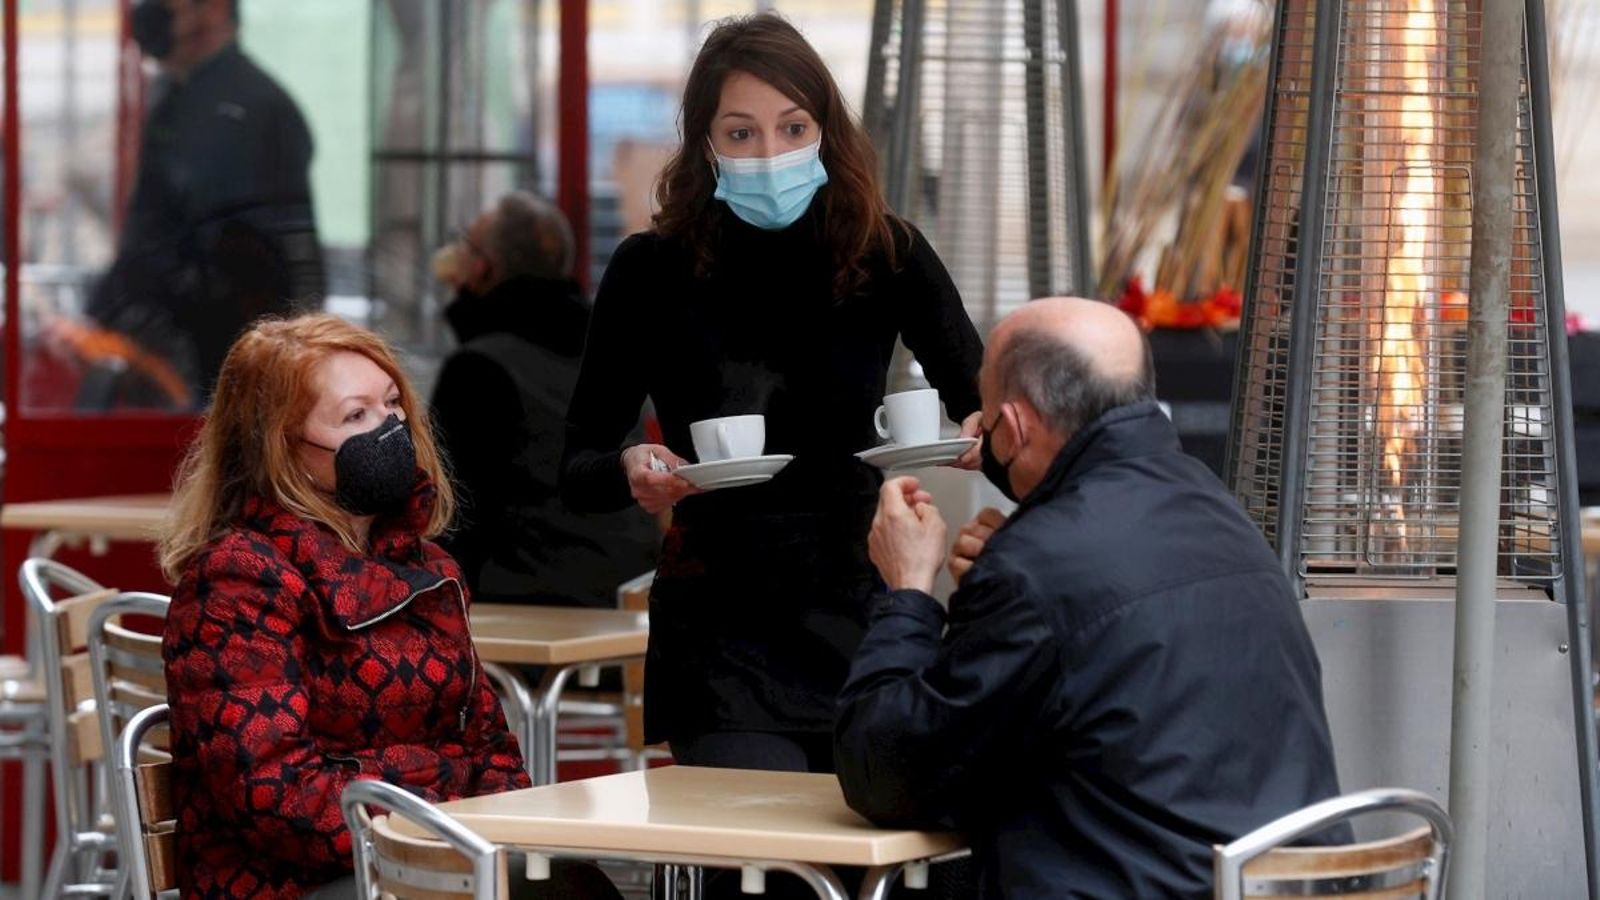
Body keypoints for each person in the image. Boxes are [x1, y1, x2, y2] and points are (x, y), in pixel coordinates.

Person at [561, 12, 984, 773]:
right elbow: (579, 466)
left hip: (860, 609)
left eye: (793, 128)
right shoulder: (649, 270)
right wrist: (630, 471)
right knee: (753, 879)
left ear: (826, 130)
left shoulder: (887, 253)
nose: (771, 152)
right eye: (742, 133)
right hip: (719, 631)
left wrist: (979, 436)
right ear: (704, 144)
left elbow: (981, 397)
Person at [836, 297, 1348, 898]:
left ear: (1018, 426)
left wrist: (909, 590)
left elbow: (886, 776)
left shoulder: (1037, 566)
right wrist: (1019, 570)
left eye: (991, 430)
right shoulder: (1216, 509)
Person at [159, 315, 620, 899]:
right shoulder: (238, 579)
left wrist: (447, 818)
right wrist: (442, 813)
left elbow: (491, 751)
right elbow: (274, 795)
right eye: (356, 415)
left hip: (431, 858)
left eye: (393, 405)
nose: (390, 428)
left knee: (573, 885)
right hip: (294, 884)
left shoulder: (428, 569)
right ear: (283, 448)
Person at [86, 0, 324, 408]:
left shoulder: (254, 109)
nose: (149, 10)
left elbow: (277, 268)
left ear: (212, 9)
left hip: (216, 376)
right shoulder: (175, 95)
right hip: (162, 361)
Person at [431, 191, 658, 608]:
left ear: (482, 268)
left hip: (528, 599)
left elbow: (448, 513)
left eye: (465, 244)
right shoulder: (611, 350)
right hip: (627, 589)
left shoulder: (478, 370)